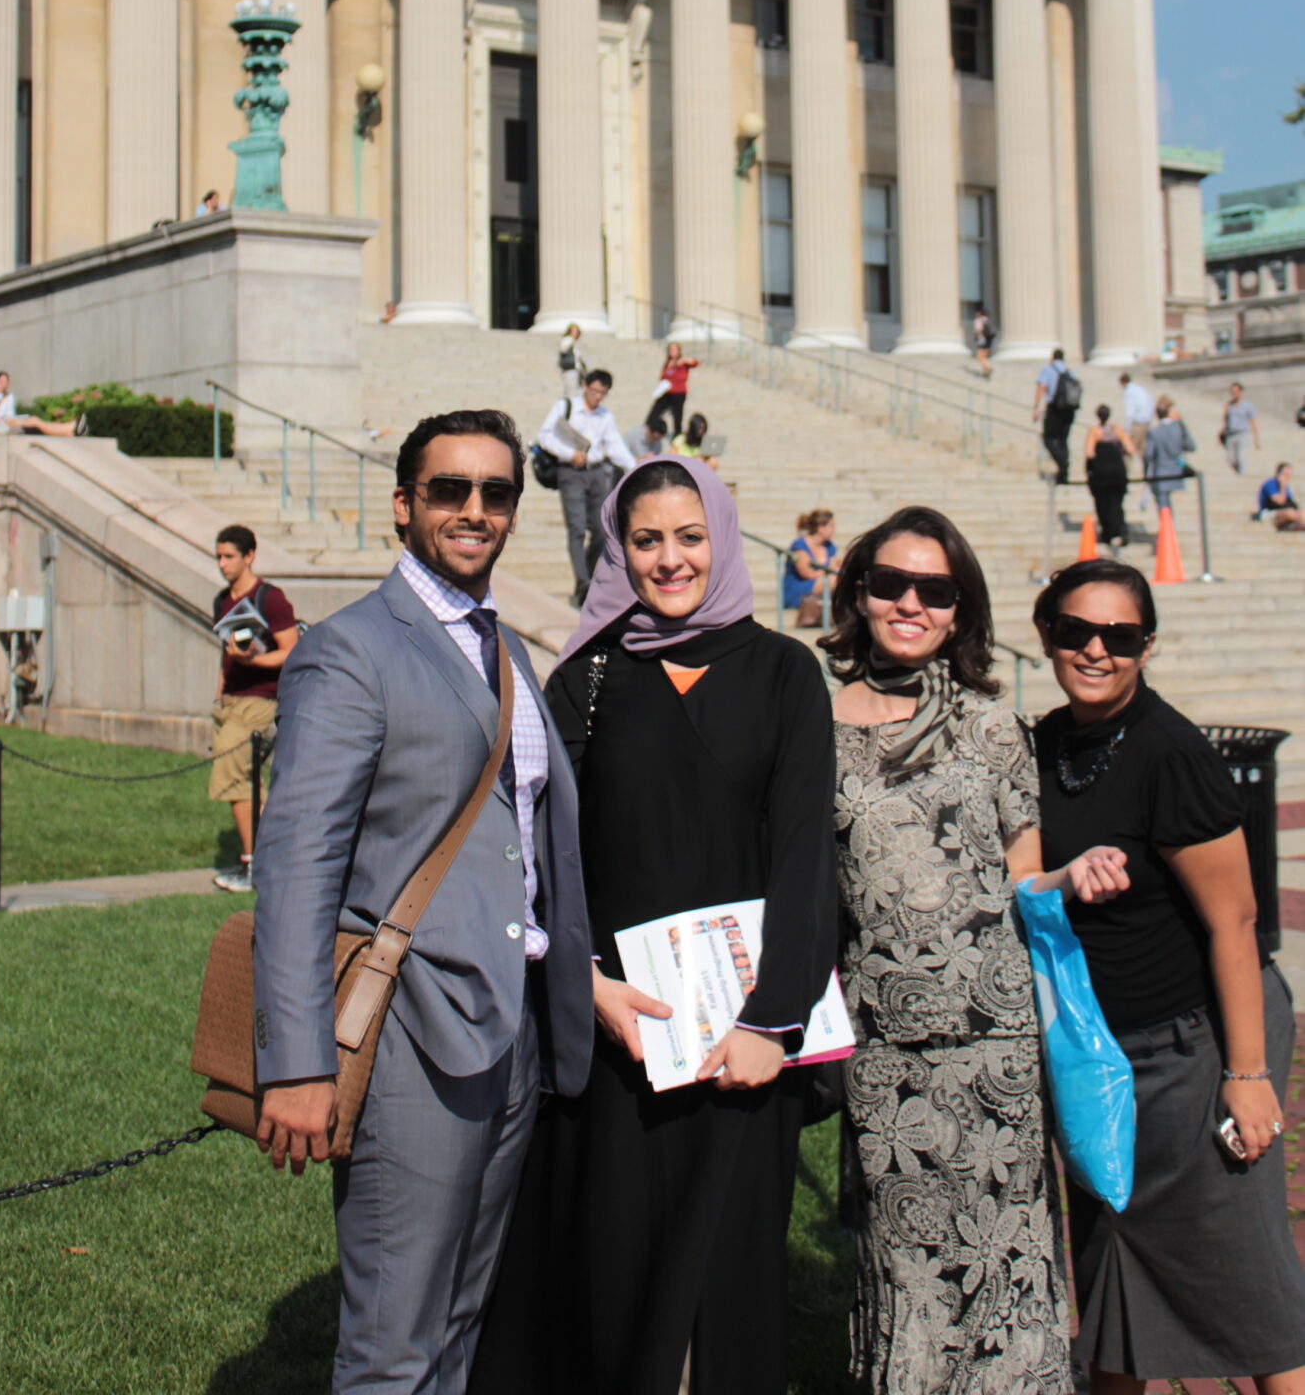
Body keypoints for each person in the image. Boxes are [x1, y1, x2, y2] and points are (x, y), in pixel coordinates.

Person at [473, 455, 836, 1395]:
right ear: (617, 551)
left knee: (725, 1288)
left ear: (721, 540)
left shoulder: (784, 674)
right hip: (618, 1038)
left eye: (688, 537)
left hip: (741, 1044)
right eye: (645, 541)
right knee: (615, 1283)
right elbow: (535, 853)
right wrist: (584, 985)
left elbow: (805, 856)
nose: (669, 560)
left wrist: (771, 1022)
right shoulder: (586, 679)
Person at [251, 409, 593, 1395]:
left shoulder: (507, 648)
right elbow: (297, 865)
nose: (473, 509)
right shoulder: (350, 649)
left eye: (496, 492)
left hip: (512, 1030)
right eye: (449, 489)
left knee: (457, 1322)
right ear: (403, 505)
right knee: (392, 1344)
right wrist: (297, 1060)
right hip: (407, 1031)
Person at [828, 505, 1124, 1393]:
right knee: (908, 1270)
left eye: (935, 590)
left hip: (995, 1049)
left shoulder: (995, 728)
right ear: (858, 594)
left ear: (961, 612)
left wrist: (1070, 876)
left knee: (1003, 1261)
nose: (910, 604)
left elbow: (1023, 878)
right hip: (884, 1052)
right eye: (891, 583)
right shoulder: (812, 729)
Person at [1032, 558, 1305, 1392]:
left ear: (1145, 648)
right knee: (1112, 1267)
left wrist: (1248, 1078)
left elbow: (1234, 921)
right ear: (1045, 635)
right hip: (1100, 1058)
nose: (1096, 650)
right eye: (1076, 631)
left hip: (1195, 1042)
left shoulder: (1169, 752)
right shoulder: (1046, 743)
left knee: (1241, 1276)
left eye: (1119, 637)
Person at [209, 524, 300, 892]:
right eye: (218, 556)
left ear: (250, 556)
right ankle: (272, 861)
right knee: (245, 782)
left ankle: (254, 864)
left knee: (234, 778)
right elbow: (225, 652)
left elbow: (292, 651)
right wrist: (220, 690)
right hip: (230, 702)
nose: (222, 564)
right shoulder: (222, 600)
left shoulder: (270, 598)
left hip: (260, 700)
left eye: (229, 556)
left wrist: (252, 661)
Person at [538, 370, 635, 607]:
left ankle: (589, 578)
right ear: (585, 386)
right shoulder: (565, 407)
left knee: (602, 530)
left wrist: (634, 468)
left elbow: (615, 446)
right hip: (570, 472)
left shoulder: (605, 416)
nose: (597, 397)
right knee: (577, 527)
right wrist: (569, 454)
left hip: (596, 472)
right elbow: (545, 436)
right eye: (594, 391)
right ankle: (582, 582)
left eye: (603, 393)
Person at [1085, 403, 1136, 552]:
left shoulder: (1094, 431)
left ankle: (1108, 532)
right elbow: (1130, 449)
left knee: (1102, 503)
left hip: (1101, 470)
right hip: (1117, 469)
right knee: (1117, 503)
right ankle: (1119, 530)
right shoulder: (1117, 430)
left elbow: (1089, 453)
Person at [0, 371, 86, 436]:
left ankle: (69, 429)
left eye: (6, 381)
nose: (4, 384)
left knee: (34, 421)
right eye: (2, 381)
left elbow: (11, 414)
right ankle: (69, 429)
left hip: (9, 421)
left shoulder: (10, 396)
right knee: (35, 422)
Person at [781, 508, 839, 628]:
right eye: (831, 526)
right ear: (820, 528)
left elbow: (834, 567)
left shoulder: (829, 546)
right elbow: (807, 574)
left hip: (819, 586)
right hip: (798, 589)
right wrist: (827, 573)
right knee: (834, 580)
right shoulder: (800, 545)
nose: (834, 529)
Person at [1033, 347, 1080, 483]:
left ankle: (1063, 463)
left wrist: (1036, 407)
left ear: (1052, 357)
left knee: (1048, 439)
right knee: (1063, 440)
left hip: (1055, 409)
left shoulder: (1048, 370)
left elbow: (1041, 388)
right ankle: (1063, 472)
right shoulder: (1068, 371)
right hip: (1069, 410)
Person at [1145, 394, 1195, 513]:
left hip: (1161, 473)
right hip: (1176, 472)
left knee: (1163, 507)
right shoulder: (1179, 428)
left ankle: (1168, 525)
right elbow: (1191, 446)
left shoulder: (1154, 432)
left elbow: (1148, 455)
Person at [646, 341, 700, 439]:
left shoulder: (683, 362)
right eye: (671, 349)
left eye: (675, 349)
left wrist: (685, 360)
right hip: (667, 392)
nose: (673, 351)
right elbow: (663, 377)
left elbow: (696, 363)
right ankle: (651, 430)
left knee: (677, 417)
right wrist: (671, 366)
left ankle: (677, 436)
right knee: (654, 413)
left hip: (679, 393)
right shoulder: (668, 363)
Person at [1223, 381, 1261, 475]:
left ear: (1240, 392)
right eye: (1232, 392)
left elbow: (1252, 422)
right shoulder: (1229, 405)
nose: (1233, 394)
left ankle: (1242, 475)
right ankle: (1237, 472)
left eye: (1235, 391)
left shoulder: (1247, 406)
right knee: (1230, 459)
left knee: (1241, 457)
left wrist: (1256, 439)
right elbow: (1225, 420)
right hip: (1231, 434)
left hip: (1242, 433)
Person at [1258, 463, 1305, 532]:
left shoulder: (1286, 486)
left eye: (1289, 474)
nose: (1288, 476)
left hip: (1284, 511)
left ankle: (1293, 525)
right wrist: (1282, 485)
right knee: (1290, 513)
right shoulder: (1270, 484)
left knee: (1302, 513)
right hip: (1268, 513)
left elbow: (1289, 502)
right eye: (1285, 474)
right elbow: (1280, 501)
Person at [1119, 370, 1155, 460]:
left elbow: (1130, 413)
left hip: (1138, 424)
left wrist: (1127, 431)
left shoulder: (1129, 391)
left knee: (1128, 450)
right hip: (1147, 422)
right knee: (1143, 452)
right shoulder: (1139, 389)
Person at [557, 322, 588, 399]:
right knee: (571, 392)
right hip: (570, 368)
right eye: (573, 331)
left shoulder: (574, 342)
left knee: (577, 391)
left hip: (577, 370)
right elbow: (563, 349)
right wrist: (571, 339)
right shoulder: (568, 339)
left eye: (576, 331)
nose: (575, 333)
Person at [970, 303, 996, 377]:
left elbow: (978, 330)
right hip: (989, 340)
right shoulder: (986, 319)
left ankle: (988, 368)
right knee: (984, 356)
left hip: (982, 340)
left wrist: (975, 335)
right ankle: (986, 371)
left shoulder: (978, 320)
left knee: (979, 357)